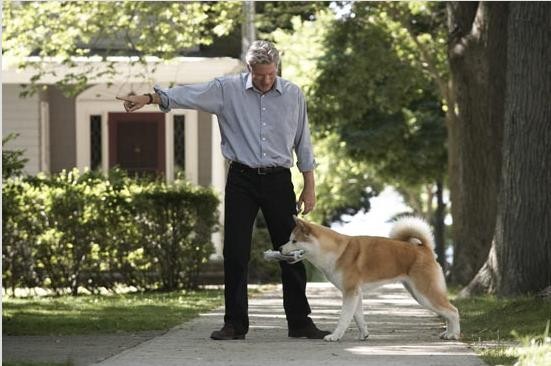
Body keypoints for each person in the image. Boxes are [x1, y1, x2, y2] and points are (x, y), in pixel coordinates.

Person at [117, 40, 329, 340]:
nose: (266, 80)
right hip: (241, 179)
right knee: (235, 252)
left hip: (280, 180)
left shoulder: (293, 94)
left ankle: (300, 322)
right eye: (259, 75)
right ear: (248, 69)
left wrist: (309, 186)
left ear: (277, 69)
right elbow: (186, 95)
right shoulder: (225, 90)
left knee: (291, 251)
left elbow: (302, 141)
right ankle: (235, 324)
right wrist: (150, 98)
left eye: (271, 74)